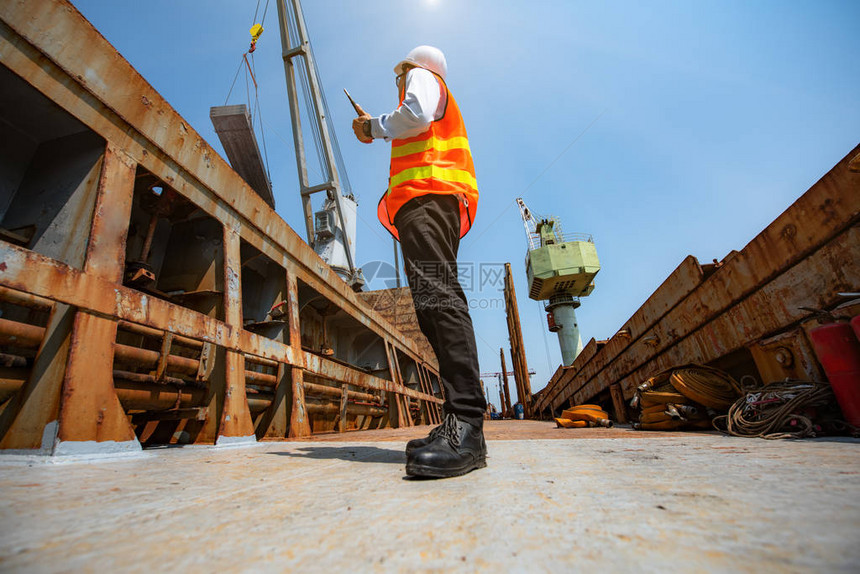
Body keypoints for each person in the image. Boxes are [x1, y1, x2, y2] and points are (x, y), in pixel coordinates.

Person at [351, 46, 486, 478]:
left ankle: (467, 425)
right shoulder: (428, 82)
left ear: (409, 68)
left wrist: (371, 127)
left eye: (399, 76)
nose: (398, 83)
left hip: (428, 199)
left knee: (440, 301)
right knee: (431, 306)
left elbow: (415, 114)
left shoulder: (421, 77)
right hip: (427, 202)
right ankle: (455, 420)